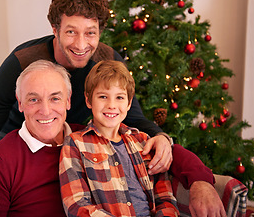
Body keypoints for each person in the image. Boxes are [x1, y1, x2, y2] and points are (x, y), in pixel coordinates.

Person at [0, 0, 225, 217]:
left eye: (91, 33)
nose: (81, 44)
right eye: (71, 32)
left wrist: (173, 150)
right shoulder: (21, 63)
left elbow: (134, 123)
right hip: (26, 153)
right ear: (55, 29)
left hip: (75, 149)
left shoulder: (107, 63)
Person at [59, 60, 179, 217]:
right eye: (103, 96)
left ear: (129, 103)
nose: (111, 105)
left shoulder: (143, 141)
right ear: (88, 100)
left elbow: (165, 197)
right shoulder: (75, 144)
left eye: (119, 98)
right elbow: (77, 205)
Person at [0, 60, 70, 217]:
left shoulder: (90, 141)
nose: (45, 111)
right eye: (33, 99)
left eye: (55, 98)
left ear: (68, 101)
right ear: (20, 103)